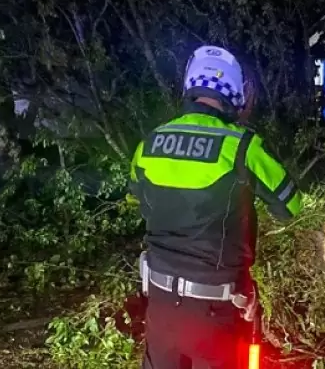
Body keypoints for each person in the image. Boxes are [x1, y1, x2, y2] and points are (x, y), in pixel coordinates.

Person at [130, 45, 304, 368]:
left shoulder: (149, 144)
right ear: (235, 94)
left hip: (160, 305)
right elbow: (291, 204)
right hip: (216, 312)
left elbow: (136, 197)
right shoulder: (242, 147)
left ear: (190, 87)